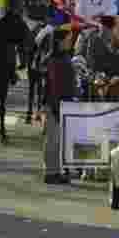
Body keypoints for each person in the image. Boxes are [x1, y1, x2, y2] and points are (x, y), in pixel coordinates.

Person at [43, 24, 78, 184]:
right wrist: (57, 106)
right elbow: (55, 84)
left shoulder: (63, 57)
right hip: (57, 103)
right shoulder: (55, 60)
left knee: (58, 139)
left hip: (63, 102)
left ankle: (56, 170)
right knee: (53, 139)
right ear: (59, 41)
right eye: (68, 39)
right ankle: (51, 172)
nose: (70, 42)